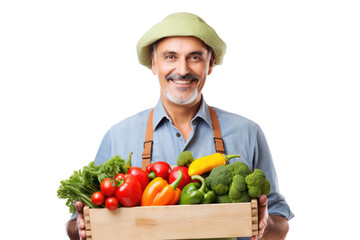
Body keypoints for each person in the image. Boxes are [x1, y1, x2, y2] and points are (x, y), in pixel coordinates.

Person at [66, 12, 294, 240]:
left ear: (210, 64)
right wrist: (82, 228)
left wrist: (264, 224)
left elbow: (280, 224)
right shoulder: (118, 136)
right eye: (170, 57)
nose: (183, 69)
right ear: (155, 63)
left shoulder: (247, 133)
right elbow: (76, 228)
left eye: (194, 57)